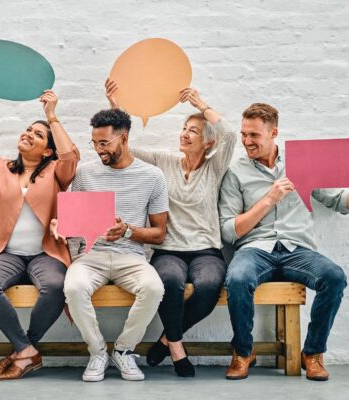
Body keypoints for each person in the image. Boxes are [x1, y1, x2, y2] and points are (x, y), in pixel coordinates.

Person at [219, 103, 349, 381]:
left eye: (254, 135)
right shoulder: (236, 172)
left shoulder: (302, 163)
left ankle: (313, 353)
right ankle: (244, 352)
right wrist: (269, 198)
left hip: (297, 250)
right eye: (244, 134)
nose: (246, 141)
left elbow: (340, 203)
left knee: (334, 277)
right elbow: (230, 231)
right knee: (237, 277)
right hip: (256, 249)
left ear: (273, 133)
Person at [104, 79, 237, 377]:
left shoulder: (215, 167)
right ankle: (177, 347)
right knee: (169, 283)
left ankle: (166, 338)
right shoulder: (165, 162)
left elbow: (230, 134)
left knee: (208, 287)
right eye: (184, 129)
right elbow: (128, 150)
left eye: (194, 131)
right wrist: (116, 110)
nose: (185, 135)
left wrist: (201, 105)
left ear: (208, 142)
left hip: (206, 250)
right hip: (168, 250)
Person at [0, 91, 78, 380]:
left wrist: (52, 116)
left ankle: (24, 348)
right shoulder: (1, 167)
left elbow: (70, 158)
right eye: (28, 129)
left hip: (44, 253)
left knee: (56, 285)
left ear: (47, 150)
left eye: (38, 135)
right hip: (6, 254)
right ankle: (26, 351)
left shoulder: (55, 171)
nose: (29, 134)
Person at [51, 108, 169, 382]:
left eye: (104, 143)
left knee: (153, 288)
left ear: (124, 139)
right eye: (94, 143)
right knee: (74, 287)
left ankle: (125, 351)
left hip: (132, 257)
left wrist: (127, 231)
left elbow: (159, 233)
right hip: (91, 255)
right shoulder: (84, 174)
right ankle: (98, 352)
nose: (98, 150)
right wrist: (61, 227)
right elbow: (73, 227)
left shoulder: (152, 176)